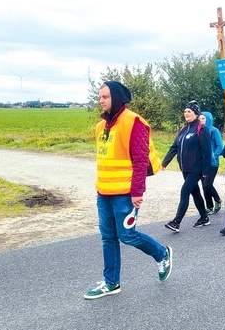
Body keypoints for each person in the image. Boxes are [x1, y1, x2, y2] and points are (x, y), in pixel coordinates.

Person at [85, 81, 172, 300]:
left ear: (116, 97)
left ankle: (162, 254)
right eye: (100, 97)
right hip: (103, 193)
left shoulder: (134, 122)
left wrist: (137, 192)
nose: (101, 101)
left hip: (125, 194)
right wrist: (100, 188)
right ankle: (111, 282)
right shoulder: (100, 127)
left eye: (105, 97)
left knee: (127, 236)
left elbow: (141, 160)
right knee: (108, 238)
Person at [162, 101, 213, 232]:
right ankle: (204, 217)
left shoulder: (202, 129)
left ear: (196, 113)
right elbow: (174, 147)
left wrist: (206, 171)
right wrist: (164, 163)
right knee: (194, 192)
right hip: (185, 168)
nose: (186, 113)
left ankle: (176, 222)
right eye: (185, 111)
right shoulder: (184, 130)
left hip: (196, 168)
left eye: (189, 111)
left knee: (184, 191)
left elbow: (207, 151)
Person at [199, 112, 223, 215]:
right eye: (199, 119)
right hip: (202, 162)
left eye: (203, 119)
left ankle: (217, 200)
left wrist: (213, 155)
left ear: (208, 119)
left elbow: (220, 147)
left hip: (212, 163)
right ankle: (209, 206)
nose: (201, 121)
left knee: (207, 184)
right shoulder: (198, 131)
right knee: (203, 186)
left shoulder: (214, 131)